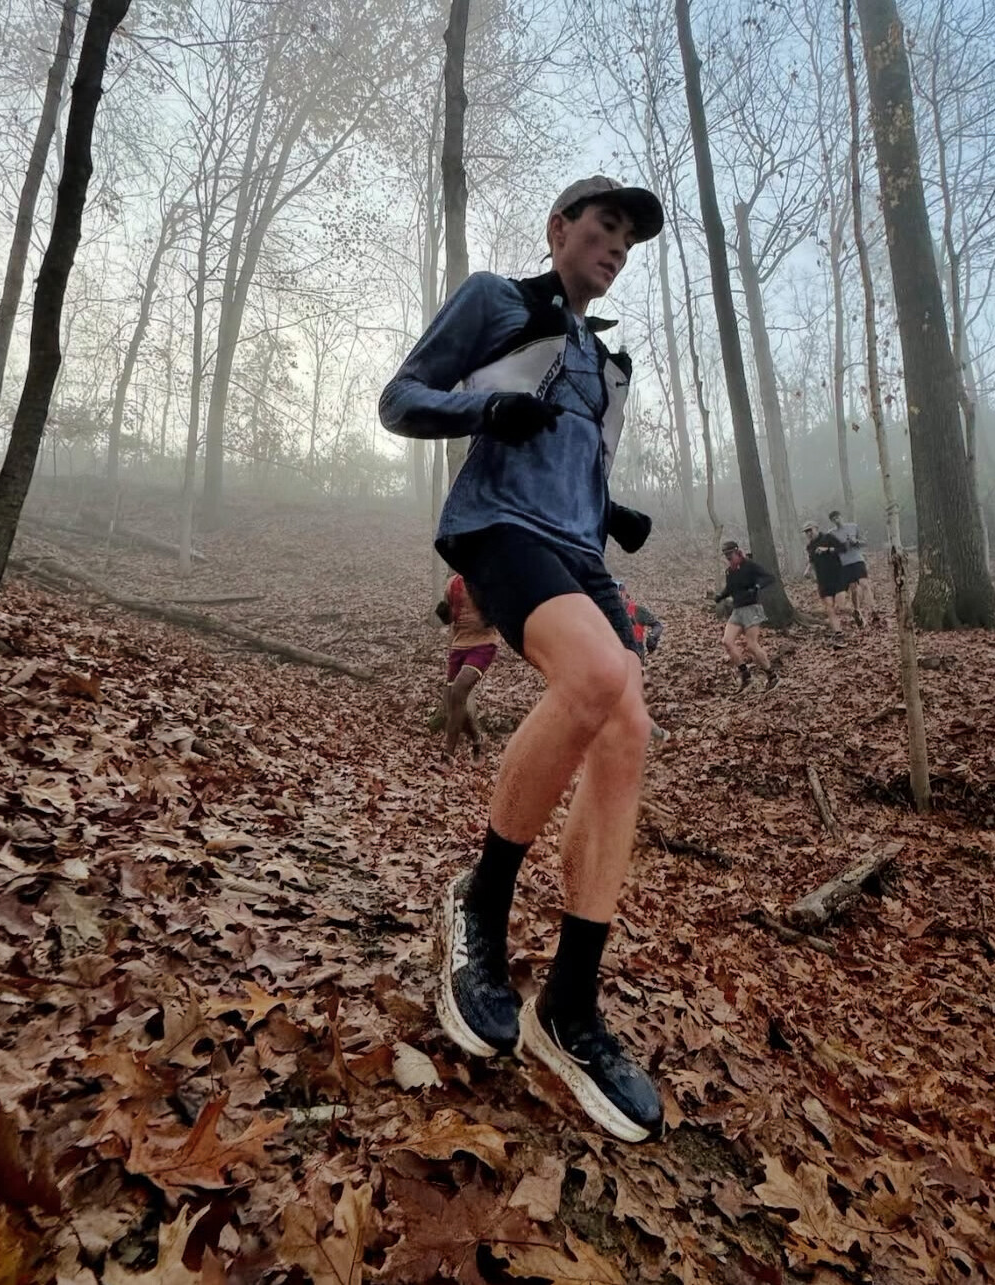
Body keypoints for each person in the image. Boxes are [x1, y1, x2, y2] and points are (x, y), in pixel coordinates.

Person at [379, 176, 666, 1143]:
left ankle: (570, 1003)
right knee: (596, 677)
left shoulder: (607, 362)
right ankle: (481, 900)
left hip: (578, 553)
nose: (615, 247)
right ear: (559, 229)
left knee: (628, 729)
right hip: (499, 529)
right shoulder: (497, 300)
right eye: (603, 227)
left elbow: (578, 465)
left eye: (627, 240)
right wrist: (484, 415)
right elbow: (399, 399)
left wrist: (611, 509)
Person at [435, 573, 500, 758]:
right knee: (453, 702)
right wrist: (443, 613)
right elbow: (450, 618)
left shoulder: (487, 579)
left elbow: (503, 608)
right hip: (458, 646)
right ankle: (477, 739)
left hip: (483, 644)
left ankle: (448, 757)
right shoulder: (452, 584)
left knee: (458, 690)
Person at [713, 539, 780, 691]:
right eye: (725, 554)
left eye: (730, 553)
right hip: (737, 610)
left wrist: (757, 586)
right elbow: (730, 588)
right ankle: (745, 675)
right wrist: (720, 596)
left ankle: (772, 676)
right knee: (727, 642)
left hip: (752, 608)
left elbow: (769, 578)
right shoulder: (730, 571)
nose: (728, 557)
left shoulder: (749, 566)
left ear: (737, 551)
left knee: (751, 645)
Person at [614, 579, 668, 743]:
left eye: (617, 592)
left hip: (635, 658)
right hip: (614, 658)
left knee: (630, 699)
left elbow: (657, 625)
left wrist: (653, 637)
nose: (615, 596)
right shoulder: (608, 612)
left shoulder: (637, 611)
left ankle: (656, 734)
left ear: (624, 593)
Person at [828, 509, 882, 627]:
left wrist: (855, 542)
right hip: (845, 564)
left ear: (841, 517)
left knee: (864, 584)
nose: (836, 520)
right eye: (834, 519)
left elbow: (865, 542)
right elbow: (831, 550)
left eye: (837, 517)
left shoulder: (853, 527)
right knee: (854, 589)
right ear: (832, 521)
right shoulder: (831, 534)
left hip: (857, 560)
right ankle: (857, 611)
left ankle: (874, 610)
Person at [804, 521, 847, 644]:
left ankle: (856, 613)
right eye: (806, 532)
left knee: (840, 606)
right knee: (829, 607)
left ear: (816, 528)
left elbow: (843, 548)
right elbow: (811, 560)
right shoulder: (809, 546)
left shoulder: (828, 537)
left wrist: (827, 549)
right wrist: (807, 570)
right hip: (823, 579)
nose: (809, 533)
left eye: (810, 530)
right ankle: (838, 633)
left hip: (837, 575)